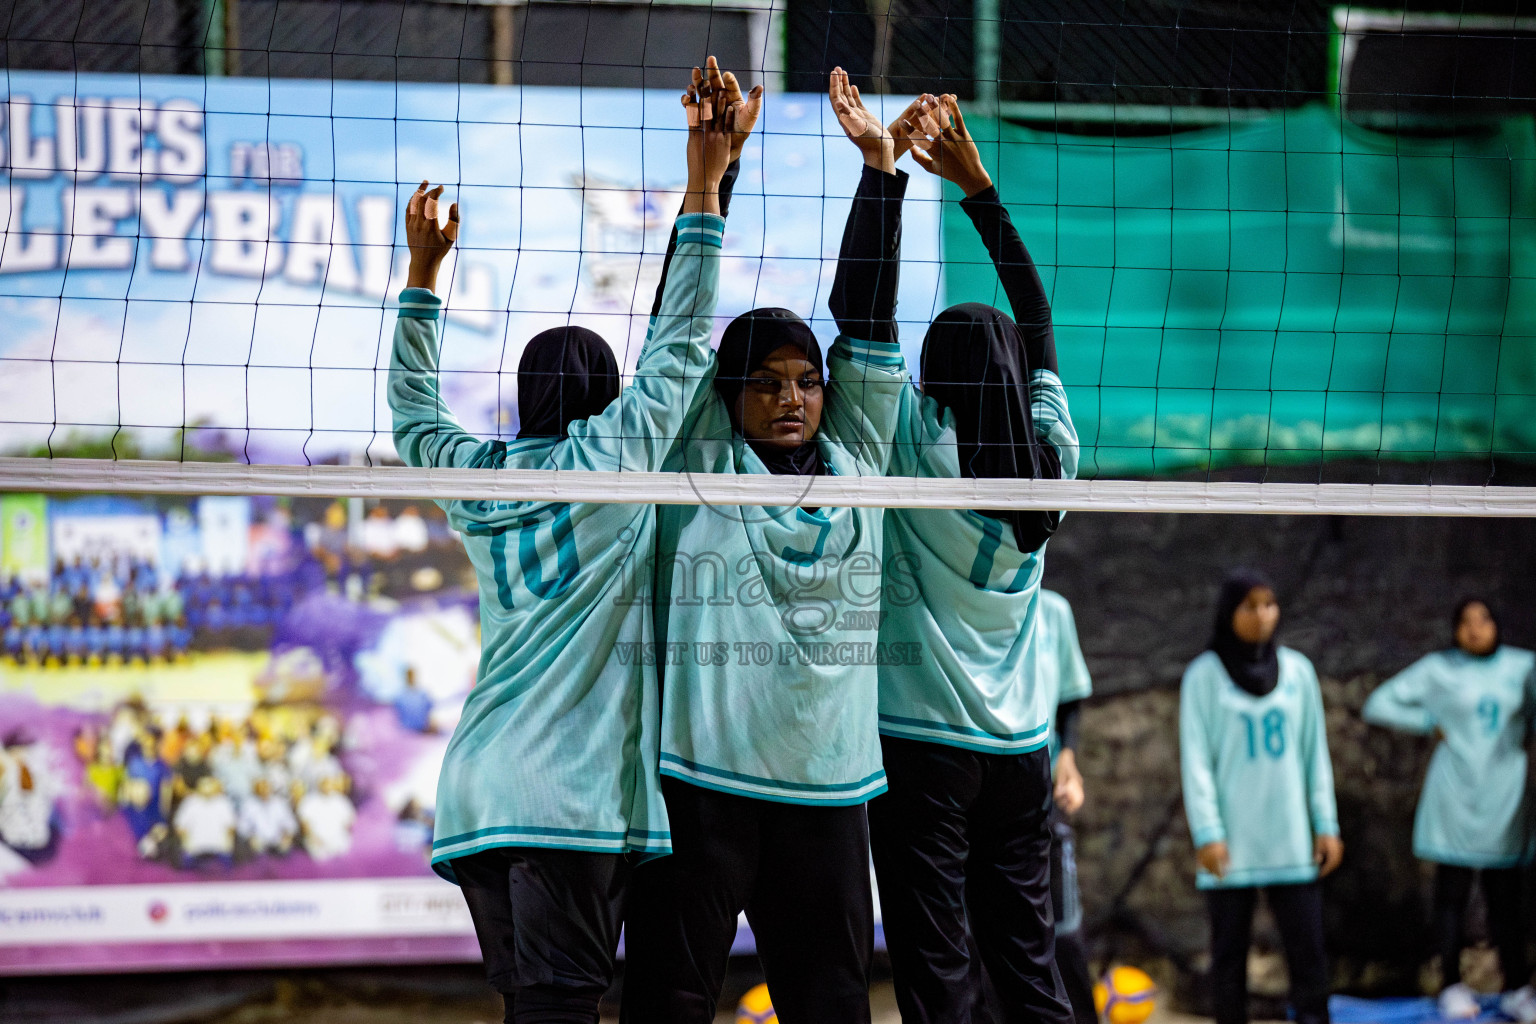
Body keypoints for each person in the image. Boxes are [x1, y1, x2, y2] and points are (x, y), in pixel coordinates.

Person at [388, 60, 751, 1023]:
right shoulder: (612, 463)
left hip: (475, 795)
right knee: (559, 1012)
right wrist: (707, 183)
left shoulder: (481, 480)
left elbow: (413, 419)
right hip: (566, 801)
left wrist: (423, 276)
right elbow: (677, 349)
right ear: (602, 397)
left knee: (535, 1009)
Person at [621, 68, 915, 1024]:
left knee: (831, 1002)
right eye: (765, 382)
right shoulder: (700, 452)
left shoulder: (862, 452)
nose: (791, 397)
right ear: (729, 396)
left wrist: (882, 172)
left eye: (806, 381)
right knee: (670, 998)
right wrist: (716, 173)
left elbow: (867, 320)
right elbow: (677, 322)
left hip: (830, 792)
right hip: (703, 785)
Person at [861, 92, 1078, 1024]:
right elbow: (1036, 318)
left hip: (922, 747)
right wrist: (979, 186)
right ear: (1013, 370)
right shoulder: (1052, 462)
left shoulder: (916, 441)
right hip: (1022, 750)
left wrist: (891, 173)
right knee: (1028, 964)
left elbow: (866, 321)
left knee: (937, 966)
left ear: (937, 375)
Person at [1362, 599, 1536, 1022]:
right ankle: (1452, 985)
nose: (1475, 629)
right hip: (1455, 796)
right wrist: (1428, 722)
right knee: (1451, 897)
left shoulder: (1523, 666)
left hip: (1505, 798)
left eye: (1484, 620)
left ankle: (1517, 987)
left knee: (1506, 901)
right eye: (1465, 622)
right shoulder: (1439, 669)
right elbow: (1378, 703)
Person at [1180, 571, 1343, 1024]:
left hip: (1291, 839)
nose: (1261, 615)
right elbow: (1196, 763)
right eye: (1249, 606)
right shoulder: (1203, 677)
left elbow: (1315, 754)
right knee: (1229, 959)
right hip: (1232, 842)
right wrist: (1208, 833)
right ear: (1229, 612)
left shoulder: (1299, 673)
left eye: (1269, 604)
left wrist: (1325, 823)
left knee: (1308, 955)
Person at [296, 774, 356, 861]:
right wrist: (313, 838)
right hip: (316, 838)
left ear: (333, 785)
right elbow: (304, 823)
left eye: (329, 784)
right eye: (324, 784)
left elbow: (350, 820)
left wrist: (344, 830)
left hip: (336, 836)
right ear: (319, 785)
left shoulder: (340, 800)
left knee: (343, 849)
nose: (327, 787)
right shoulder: (309, 800)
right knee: (320, 856)